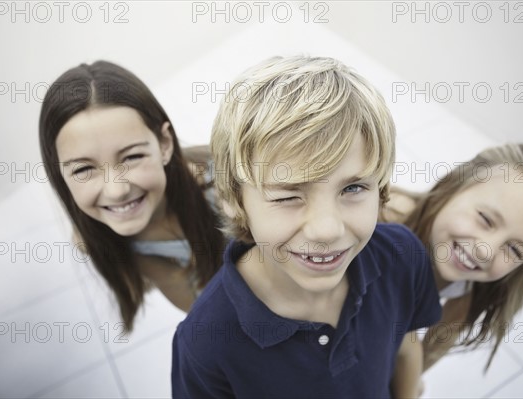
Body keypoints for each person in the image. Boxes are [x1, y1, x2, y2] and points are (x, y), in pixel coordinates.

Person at [170, 55, 442, 398]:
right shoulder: (204, 343)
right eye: (287, 196)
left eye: (353, 188)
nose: (326, 229)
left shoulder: (402, 256)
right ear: (234, 200)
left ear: (381, 189)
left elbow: (406, 347)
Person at [384, 144, 523, 397]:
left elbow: (431, 350)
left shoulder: (468, 288)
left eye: (514, 250)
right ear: (452, 187)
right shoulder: (384, 217)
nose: (486, 251)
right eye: (486, 219)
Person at [39, 61, 226, 331]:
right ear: (59, 175)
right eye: (83, 168)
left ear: (164, 144)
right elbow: (201, 310)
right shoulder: (97, 239)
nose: (117, 190)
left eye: (133, 156)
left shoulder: (224, 179)